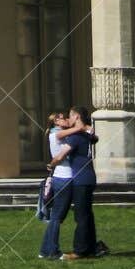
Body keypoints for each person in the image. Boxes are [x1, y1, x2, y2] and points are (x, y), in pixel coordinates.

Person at [49, 105, 104, 261]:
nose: (69, 119)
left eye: (71, 116)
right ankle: (91, 248)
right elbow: (95, 137)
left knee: (81, 217)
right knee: (87, 215)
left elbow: (61, 156)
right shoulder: (86, 135)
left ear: (77, 117)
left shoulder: (75, 136)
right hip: (89, 178)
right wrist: (87, 128)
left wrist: (51, 164)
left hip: (80, 180)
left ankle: (79, 251)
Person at [38, 110, 79, 260]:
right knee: (56, 217)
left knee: (56, 217)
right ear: (55, 122)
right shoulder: (56, 134)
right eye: (61, 118)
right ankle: (53, 250)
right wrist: (79, 124)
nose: (66, 119)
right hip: (64, 177)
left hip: (61, 177)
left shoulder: (60, 133)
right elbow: (77, 129)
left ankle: (44, 250)